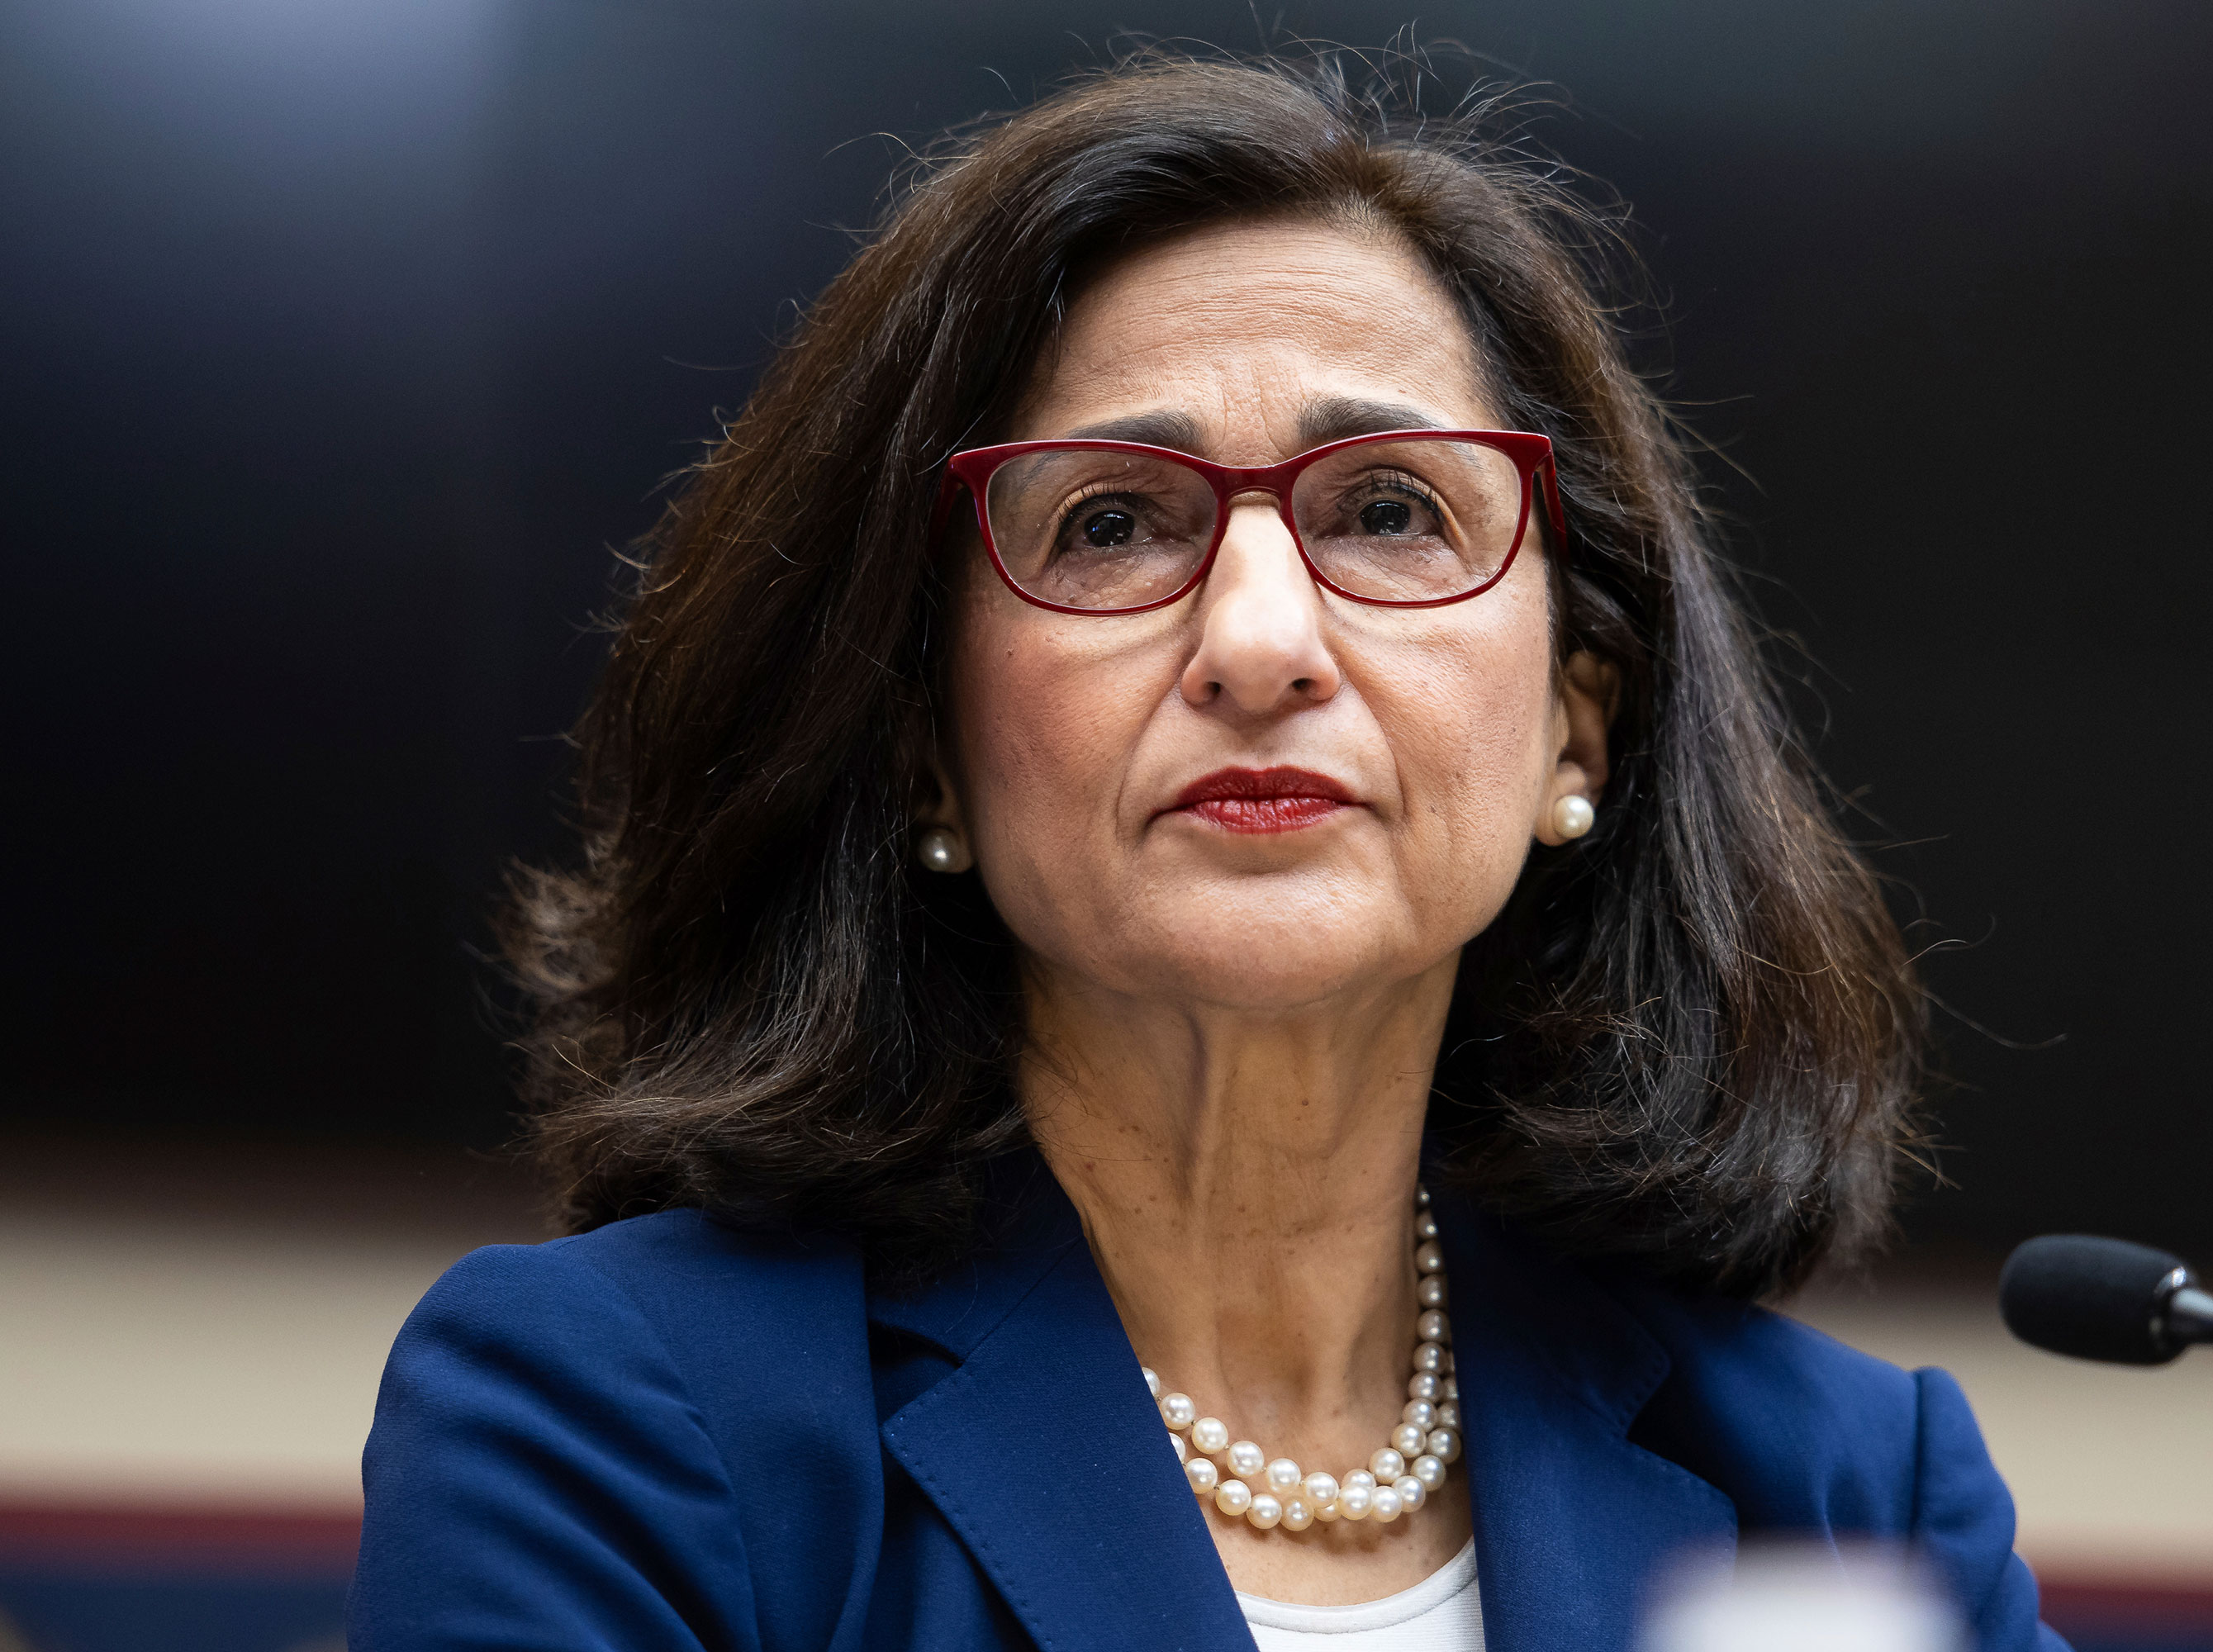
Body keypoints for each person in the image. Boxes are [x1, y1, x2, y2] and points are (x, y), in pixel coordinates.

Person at [349, 51, 2067, 1652]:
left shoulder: (1851, 1492)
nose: (1260, 639)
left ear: (1575, 730)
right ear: (927, 749)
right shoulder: (614, 1418)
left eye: (1392, 509)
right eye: (1111, 525)